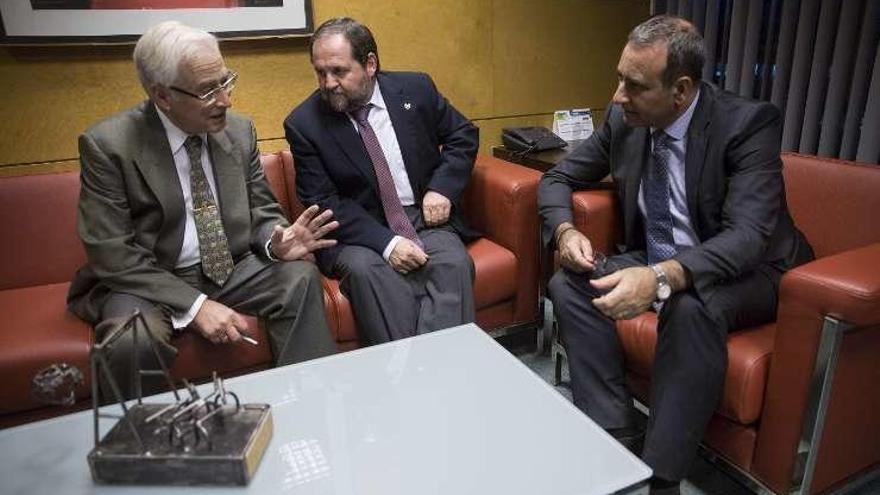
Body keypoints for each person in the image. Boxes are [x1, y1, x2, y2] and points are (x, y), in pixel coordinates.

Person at [538, 15, 813, 494]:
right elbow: (558, 177)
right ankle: (613, 428)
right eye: (620, 77)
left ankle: (661, 477)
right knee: (571, 282)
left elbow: (747, 236)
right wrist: (564, 233)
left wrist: (662, 277)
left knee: (690, 305)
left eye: (635, 85)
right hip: (661, 254)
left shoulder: (747, 124)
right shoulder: (626, 120)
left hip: (756, 270)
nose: (619, 94)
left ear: (681, 91)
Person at [68, 20, 339, 400]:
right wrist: (195, 306)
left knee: (298, 279)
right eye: (208, 90)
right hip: (150, 279)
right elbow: (112, 254)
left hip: (230, 268)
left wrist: (274, 243)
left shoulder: (238, 131)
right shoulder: (109, 145)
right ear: (162, 95)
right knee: (133, 342)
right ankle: (143, 450)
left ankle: (306, 409)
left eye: (226, 81)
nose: (226, 100)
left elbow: (262, 209)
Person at [284, 17, 480, 345]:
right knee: (368, 274)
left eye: (339, 71)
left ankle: (437, 370)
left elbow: (463, 133)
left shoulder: (416, 89)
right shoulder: (304, 124)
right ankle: (412, 379)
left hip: (421, 218)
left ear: (370, 63)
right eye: (320, 72)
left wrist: (441, 188)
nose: (328, 83)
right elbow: (324, 202)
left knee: (453, 261)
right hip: (356, 234)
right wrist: (388, 244)